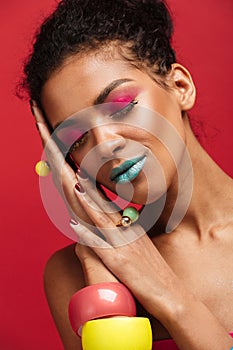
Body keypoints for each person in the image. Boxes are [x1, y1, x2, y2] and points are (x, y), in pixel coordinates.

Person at [19, 0, 233, 349]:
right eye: (76, 138)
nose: (104, 145)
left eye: (121, 107)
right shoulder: (72, 274)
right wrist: (102, 263)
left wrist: (166, 292)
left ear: (180, 86)